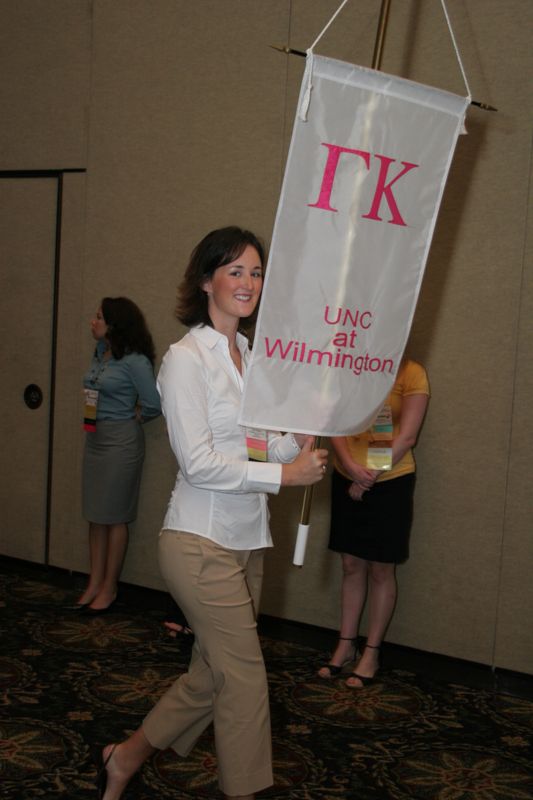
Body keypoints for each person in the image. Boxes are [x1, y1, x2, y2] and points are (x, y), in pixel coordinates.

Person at [96, 226, 328, 800]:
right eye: (235, 271)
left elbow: (253, 446)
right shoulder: (184, 359)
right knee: (245, 679)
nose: (248, 282)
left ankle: (124, 758)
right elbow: (198, 462)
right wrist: (284, 474)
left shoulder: (249, 355)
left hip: (247, 538)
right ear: (206, 281)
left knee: (209, 676)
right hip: (199, 543)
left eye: (255, 272)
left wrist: (291, 443)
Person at [318, 357, 429, 687]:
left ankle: (372, 652)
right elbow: (334, 423)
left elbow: (407, 436)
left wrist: (367, 479)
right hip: (346, 473)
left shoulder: (412, 372)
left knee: (381, 567)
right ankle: (345, 644)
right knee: (351, 564)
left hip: (390, 479)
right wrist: (351, 467)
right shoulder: (349, 364)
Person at [74, 297, 161, 614]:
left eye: (98, 317)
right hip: (95, 439)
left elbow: (154, 403)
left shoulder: (135, 360)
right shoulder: (100, 353)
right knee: (96, 516)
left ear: (114, 323)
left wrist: (136, 416)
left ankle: (109, 587)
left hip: (121, 443)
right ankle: (94, 582)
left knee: (115, 517)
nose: (92, 322)